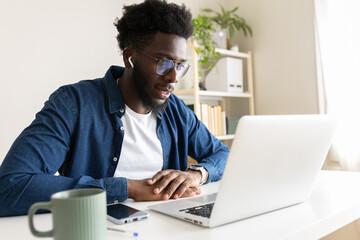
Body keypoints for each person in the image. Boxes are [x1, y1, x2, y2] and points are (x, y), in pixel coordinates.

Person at [0, 0, 229, 217]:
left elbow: (223, 154)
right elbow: (10, 186)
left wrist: (197, 174)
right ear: (130, 57)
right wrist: (128, 189)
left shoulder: (176, 110)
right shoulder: (73, 103)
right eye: (163, 62)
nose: (173, 77)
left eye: (180, 66)